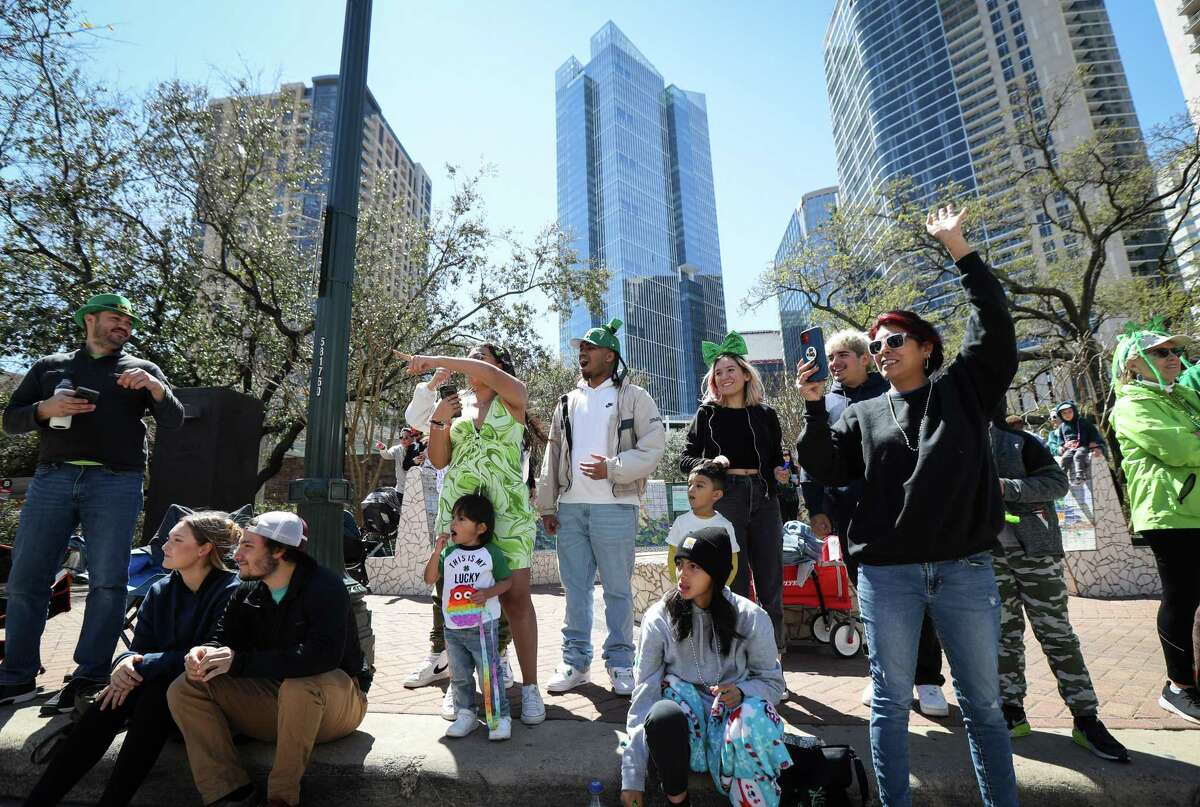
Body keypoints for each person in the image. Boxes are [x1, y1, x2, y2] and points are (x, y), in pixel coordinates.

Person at [795, 205, 1019, 807]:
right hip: (887, 576)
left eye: (894, 340)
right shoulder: (863, 414)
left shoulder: (964, 391)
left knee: (984, 708)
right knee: (889, 705)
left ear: (925, 347)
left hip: (965, 570)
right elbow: (824, 467)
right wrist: (815, 407)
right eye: (875, 344)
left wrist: (958, 248)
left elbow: (994, 324)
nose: (883, 349)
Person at [0, 294, 184, 710]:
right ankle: (17, 676)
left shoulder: (141, 369)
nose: (124, 326)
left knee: (108, 581)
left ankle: (90, 674)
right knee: (27, 578)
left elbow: (174, 420)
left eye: (128, 321)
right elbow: (10, 420)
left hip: (116, 482)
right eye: (116, 318)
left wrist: (156, 388)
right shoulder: (50, 367)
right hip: (52, 478)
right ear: (90, 320)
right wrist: (44, 409)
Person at [23, 512, 239, 806]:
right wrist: (123, 662)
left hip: (202, 700)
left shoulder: (232, 590)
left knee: (153, 695)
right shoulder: (161, 589)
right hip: (156, 689)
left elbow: (203, 656)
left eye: (177, 540)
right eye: (168, 538)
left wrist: (140, 663)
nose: (164, 546)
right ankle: (39, 800)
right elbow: (139, 648)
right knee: (111, 697)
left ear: (204, 549)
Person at [166, 512, 368, 807]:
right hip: (275, 703)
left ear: (279, 550)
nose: (237, 555)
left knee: (299, 686)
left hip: (336, 705)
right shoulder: (247, 589)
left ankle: (281, 798)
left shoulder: (325, 587)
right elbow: (222, 638)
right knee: (186, 687)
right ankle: (229, 793)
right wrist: (205, 653)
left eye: (248, 546)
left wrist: (238, 662)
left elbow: (320, 657)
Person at [797, 328, 948, 717]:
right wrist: (816, 508)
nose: (834, 364)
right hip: (848, 515)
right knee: (869, 597)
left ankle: (928, 679)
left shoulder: (890, 391)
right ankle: (882, 674)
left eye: (843, 355)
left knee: (917, 595)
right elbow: (813, 463)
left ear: (866, 358)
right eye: (831, 358)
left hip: (900, 511)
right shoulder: (824, 401)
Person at [398, 344, 547, 726]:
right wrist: (437, 421)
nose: (473, 363)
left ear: (499, 366)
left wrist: (435, 361)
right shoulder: (455, 404)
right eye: (469, 358)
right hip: (460, 511)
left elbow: (494, 379)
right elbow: (440, 459)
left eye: (482, 358)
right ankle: (460, 688)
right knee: (457, 601)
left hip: (508, 513)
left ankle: (530, 689)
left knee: (515, 600)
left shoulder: (514, 395)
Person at [989, 409, 1129, 761]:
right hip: (986, 558)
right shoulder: (950, 446)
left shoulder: (1021, 442)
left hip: (1035, 552)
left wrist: (1007, 488)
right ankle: (1012, 710)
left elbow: (1057, 483)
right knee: (1003, 636)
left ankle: (1085, 718)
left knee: (1057, 635)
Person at [535, 318, 665, 696]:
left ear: (610, 355)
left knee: (617, 591)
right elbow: (552, 453)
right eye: (580, 349)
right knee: (574, 590)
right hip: (571, 508)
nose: (582, 354)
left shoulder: (634, 397)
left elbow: (654, 446)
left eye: (590, 349)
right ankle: (575, 662)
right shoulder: (567, 401)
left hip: (615, 507)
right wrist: (547, 504)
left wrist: (613, 468)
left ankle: (622, 662)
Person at [620, 526, 790, 807]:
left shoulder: (750, 617)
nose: (682, 575)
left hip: (731, 721)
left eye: (694, 566)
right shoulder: (659, 618)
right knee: (661, 715)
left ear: (717, 572)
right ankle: (678, 800)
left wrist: (742, 692)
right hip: (684, 726)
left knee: (754, 713)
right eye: (679, 564)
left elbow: (773, 684)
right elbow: (644, 696)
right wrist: (632, 777)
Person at [1109, 321, 1200, 723]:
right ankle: (1178, 686)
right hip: (1170, 515)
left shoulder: (1183, 395)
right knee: (1182, 599)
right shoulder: (1130, 404)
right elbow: (1179, 448)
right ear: (1135, 362)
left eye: (1174, 352)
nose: (1172, 358)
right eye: (1161, 352)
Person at [680, 331, 788, 652]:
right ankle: (737, 657)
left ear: (745, 374)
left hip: (765, 499)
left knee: (771, 585)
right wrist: (710, 463)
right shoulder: (707, 415)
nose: (724, 377)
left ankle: (773, 658)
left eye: (730, 370)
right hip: (726, 498)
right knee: (735, 584)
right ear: (713, 381)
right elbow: (685, 459)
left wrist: (782, 472)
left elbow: (776, 460)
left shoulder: (766, 415)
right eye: (718, 373)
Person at [422, 492, 512, 741]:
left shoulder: (490, 553)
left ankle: (499, 717)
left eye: (462, 519)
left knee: (488, 673)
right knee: (459, 675)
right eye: (453, 518)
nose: (453, 524)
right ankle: (466, 715)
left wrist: (488, 593)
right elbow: (429, 578)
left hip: (482, 627)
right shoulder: (448, 554)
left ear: (481, 527)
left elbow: (507, 581)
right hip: (453, 628)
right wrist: (436, 550)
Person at [666, 457, 741, 587]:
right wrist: (679, 584)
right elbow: (673, 556)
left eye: (699, 485)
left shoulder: (725, 526)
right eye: (689, 484)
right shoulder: (680, 522)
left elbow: (732, 561)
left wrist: (720, 588)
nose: (691, 489)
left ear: (716, 495)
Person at [1051, 400, 1106, 485]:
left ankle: (1080, 475)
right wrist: (1061, 447)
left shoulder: (1083, 422)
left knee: (1078, 456)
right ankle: (1062, 477)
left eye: (1070, 412)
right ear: (1060, 415)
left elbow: (1093, 433)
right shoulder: (1062, 427)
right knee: (1065, 458)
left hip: (1082, 446)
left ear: (1074, 411)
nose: (1067, 415)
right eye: (1064, 413)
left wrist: (1095, 445)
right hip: (1070, 448)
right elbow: (1061, 440)